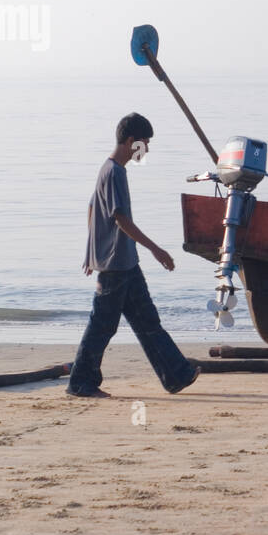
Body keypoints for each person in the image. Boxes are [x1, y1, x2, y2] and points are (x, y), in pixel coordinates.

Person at [68, 112, 200, 398]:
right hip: (116, 264)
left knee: (147, 321)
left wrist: (91, 252)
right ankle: (80, 382)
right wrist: (156, 249)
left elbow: (92, 210)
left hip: (125, 262)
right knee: (102, 326)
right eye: (145, 143)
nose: (147, 150)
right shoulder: (113, 172)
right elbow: (120, 219)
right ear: (131, 142)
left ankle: (176, 375)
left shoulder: (109, 169)